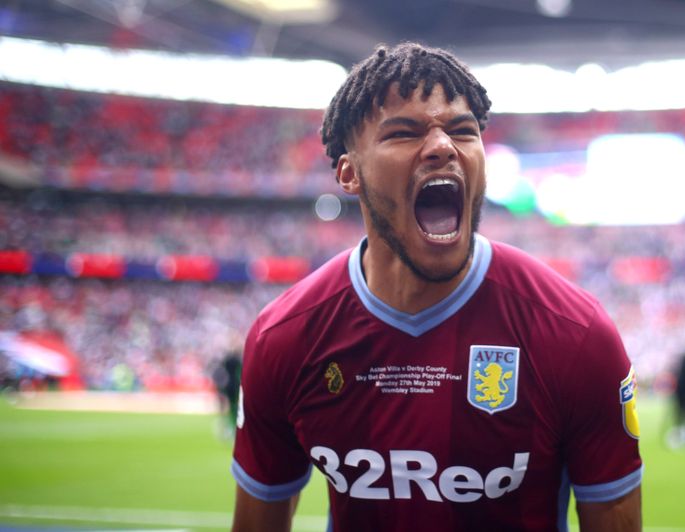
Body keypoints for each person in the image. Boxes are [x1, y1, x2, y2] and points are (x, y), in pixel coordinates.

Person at [230, 42, 643, 531]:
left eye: (463, 131)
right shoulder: (285, 338)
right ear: (349, 173)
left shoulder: (575, 334)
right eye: (403, 133)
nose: (443, 146)